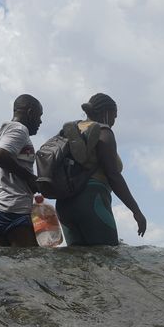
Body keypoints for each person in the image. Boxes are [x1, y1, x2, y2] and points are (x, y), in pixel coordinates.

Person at [55, 93, 146, 246]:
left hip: (64, 204)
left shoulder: (69, 131)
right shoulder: (104, 132)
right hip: (91, 201)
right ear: (107, 113)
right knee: (107, 258)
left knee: (77, 264)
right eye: (114, 117)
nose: (113, 122)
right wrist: (136, 211)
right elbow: (113, 175)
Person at [0, 94, 43, 247]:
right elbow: (0, 154)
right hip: (13, 209)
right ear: (30, 113)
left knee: (3, 266)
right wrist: (30, 178)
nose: (40, 121)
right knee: (30, 265)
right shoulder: (19, 130)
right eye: (39, 116)